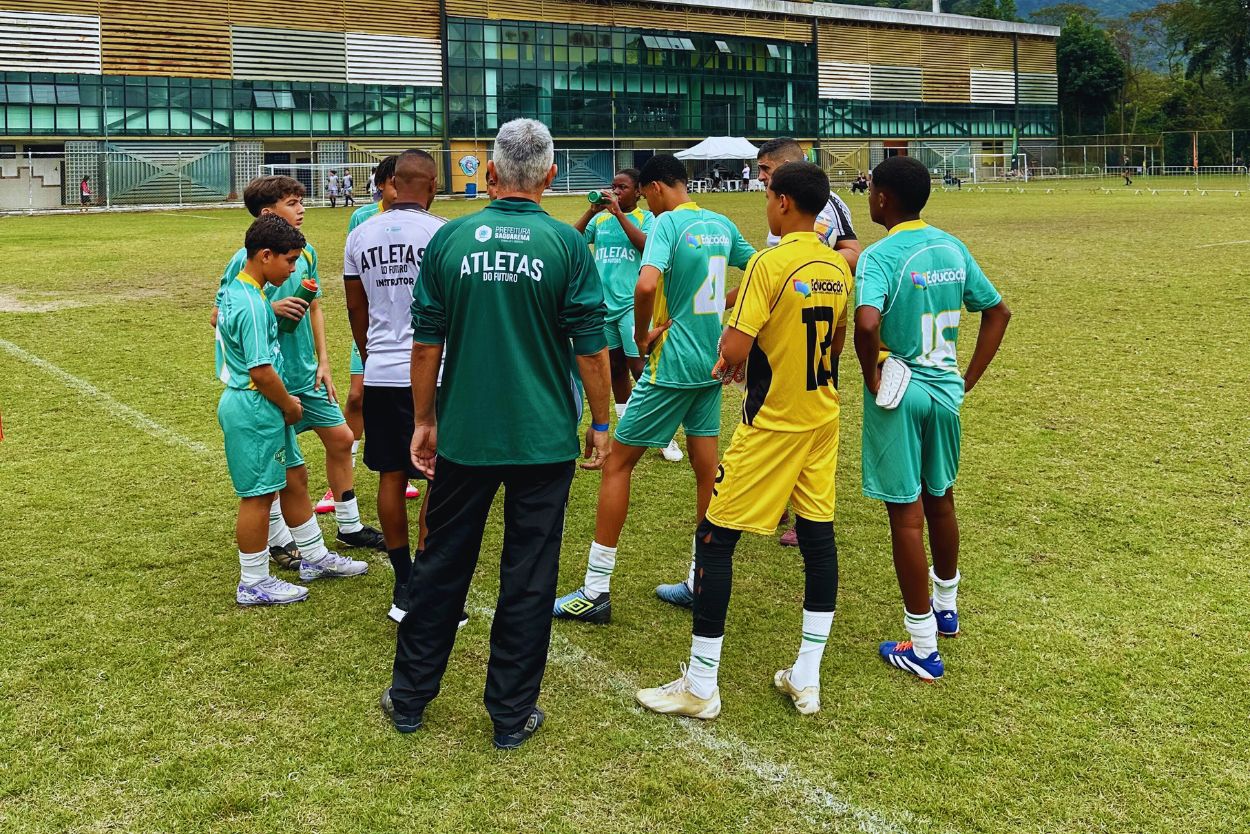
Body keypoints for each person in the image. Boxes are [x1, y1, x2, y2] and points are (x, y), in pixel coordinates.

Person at [381, 119, 613, 750]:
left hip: (467, 435)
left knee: (441, 564)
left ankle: (408, 698)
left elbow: (425, 343)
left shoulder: (451, 239)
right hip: (543, 440)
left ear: (488, 173)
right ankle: (510, 714)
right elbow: (589, 347)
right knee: (530, 574)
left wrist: (425, 419)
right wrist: (599, 419)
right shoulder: (567, 244)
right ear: (550, 176)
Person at [636, 161, 852, 719]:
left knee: (714, 539)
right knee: (817, 537)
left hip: (773, 423)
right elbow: (837, 338)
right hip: (821, 416)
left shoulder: (768, 261)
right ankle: (807, 674)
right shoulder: (837, 264)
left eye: (767, 193)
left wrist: (735, 357)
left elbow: (733, 348)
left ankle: (701, 685)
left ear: (782, 203)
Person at [553, 153, 755, 624]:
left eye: (644, 194)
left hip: (670, 368)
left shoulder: (667, 225)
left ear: (659, 188)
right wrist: (727, 306)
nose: (646, 201)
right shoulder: (721, 223)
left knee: (617, 465)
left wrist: (643, 335)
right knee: (707, 473)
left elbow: (645, 287)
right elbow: (760, 270)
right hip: (710, 366)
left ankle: (595, 590)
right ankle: (698, 578)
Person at [852, 156, 1012, 681]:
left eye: (872, 188)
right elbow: (998, 311)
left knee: (906, 515)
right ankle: (946, 609)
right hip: (944, 392)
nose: (869, 195)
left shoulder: (878, 256)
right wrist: (966, 378)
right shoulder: (951, 245)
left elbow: (868, 321)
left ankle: (921, 646)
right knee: (941, 501)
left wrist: (872, 376)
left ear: (883, 199)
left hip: (900, 393)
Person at [211, 176, 384, 569]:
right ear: (270, 213)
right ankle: (276, 540)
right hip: (270, 381)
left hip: (306, 372)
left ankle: (348, 525)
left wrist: (324, 361)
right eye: (293, 202)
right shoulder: (248, 260)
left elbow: (316, 306)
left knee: (340, 438)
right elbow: (220, 316)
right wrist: (270, 310)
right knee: (279, 467)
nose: (302, 208)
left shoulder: (303, 252)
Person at [343, 150, 448, 623]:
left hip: (382, 367)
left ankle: (403, 579)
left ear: (392, 183)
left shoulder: (359, 235)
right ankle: (426, 574)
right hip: (436, 370)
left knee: (389, 473)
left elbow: (355, 308)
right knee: (437, 473)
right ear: (429, 184)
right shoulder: (441, 232)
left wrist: (370, 356)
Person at [757, 137, 862, 547]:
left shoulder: (825, 203)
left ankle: (805, 518)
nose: (759, 177)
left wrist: (818, 263)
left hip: (810, 330)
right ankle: (777, 499)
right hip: (778, 331)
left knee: (804, 422)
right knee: (769, 411)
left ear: (786, 167)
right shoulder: (781, 201)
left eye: (765, 170)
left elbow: (854, 251)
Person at [316, 156, 421, 514]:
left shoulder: (425, 224)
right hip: (373, 332)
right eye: (390, 181)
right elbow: (356, 284)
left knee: (412, 401)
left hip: (412, 339)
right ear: (380, 184)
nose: (396, 187)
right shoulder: (362, 219)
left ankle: (405, 470)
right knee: (357, 396)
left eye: (400, 180)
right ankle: (342, 481)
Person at [217, 216, 313, 605]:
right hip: (255, 405)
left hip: (254, 404)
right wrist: (289, 404)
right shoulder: (253, 305)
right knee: (258, 496)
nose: (292, 269)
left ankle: (307, 557)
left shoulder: (243, 294)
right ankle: (253, 582)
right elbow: (260, 369)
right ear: (265, 255)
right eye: (289, 261)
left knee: (279, 483)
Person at [572, 170, 681, 463]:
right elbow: (572, 240)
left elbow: (648, 248)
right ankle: (626, 426)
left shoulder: (648, 219)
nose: (616, 192)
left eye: (623, 187)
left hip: (633, 305)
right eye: (613, 186)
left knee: (639, 367)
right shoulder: (600, 219)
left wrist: (620, 214)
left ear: (638, 192)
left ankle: (663, 433)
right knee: (616, 367)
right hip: (604, 305)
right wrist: (591, 210)